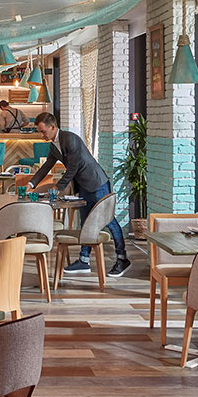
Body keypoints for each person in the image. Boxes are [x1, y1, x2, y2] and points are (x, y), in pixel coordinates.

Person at [29, 112, 130, 276]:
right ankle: (84, 260)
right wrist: (31, 184)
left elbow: (73, 167)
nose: (42, 135)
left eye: (43, 131)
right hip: (83, 186)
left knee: (108, 220)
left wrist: (58, 188)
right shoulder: (54, 146)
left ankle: (122, 258)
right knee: (85, 222)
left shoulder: (70, 138)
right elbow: (46, 166)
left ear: (52, 127)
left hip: (97, 183)